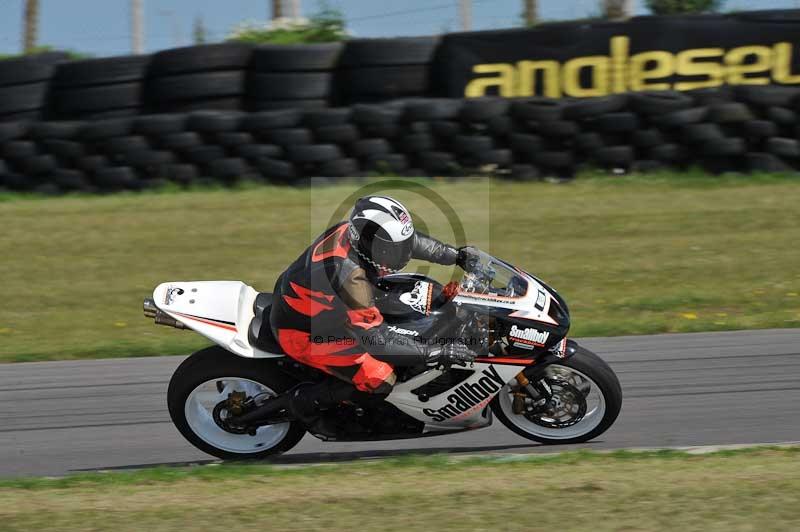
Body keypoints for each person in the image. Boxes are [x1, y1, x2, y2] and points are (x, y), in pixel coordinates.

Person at [267, 195, 478, 431]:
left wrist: (454, 255)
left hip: (324, 308)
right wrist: (436, 351)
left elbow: (409, 242)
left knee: (425, 297)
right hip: (305, 332)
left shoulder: (354, 233)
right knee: (382, 377)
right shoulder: (350, 277)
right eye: (392, 249)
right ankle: (305, 402)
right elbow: (376, 341)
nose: (402, 255)